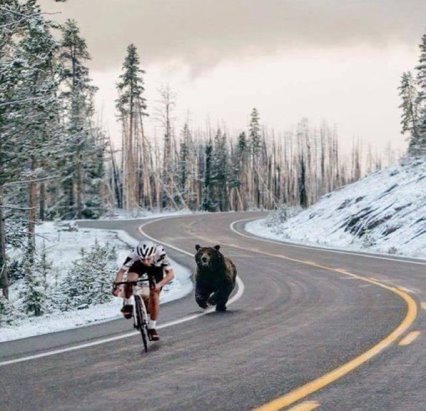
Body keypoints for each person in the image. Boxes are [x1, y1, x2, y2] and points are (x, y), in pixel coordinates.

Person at [112, 240, 174, 341]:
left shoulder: (161, 253)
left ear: (154, 255)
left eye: (148, 259)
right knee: (130, 281)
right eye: (143, 259)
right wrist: (117, 287)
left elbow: (170, 274)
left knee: (154, 295)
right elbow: (121, 272)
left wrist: (158, 285)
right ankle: (127, 304)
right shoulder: (134, 254)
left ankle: (152, 328)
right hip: (138, 266)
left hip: (155, 268)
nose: (145, 261)